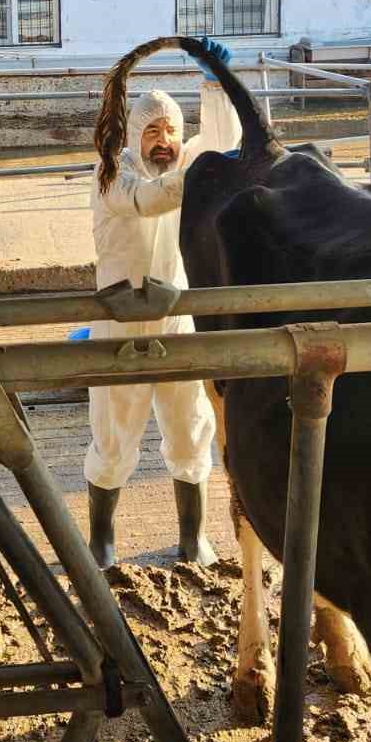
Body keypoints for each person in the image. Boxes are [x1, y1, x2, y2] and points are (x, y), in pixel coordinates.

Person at [84, 38, 241, 571]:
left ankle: (192, 537)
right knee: (114, 427)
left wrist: (215, 86)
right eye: (152, 131)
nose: (164, 141)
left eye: (171, 130)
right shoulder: (111, 173)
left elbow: (222, 144)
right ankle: (102, 539)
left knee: (189, 422)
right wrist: (196, 177)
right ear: (134, 135)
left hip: (178, 314)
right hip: (119, 318)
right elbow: (147, 200)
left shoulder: (187, 164)